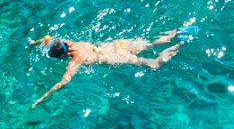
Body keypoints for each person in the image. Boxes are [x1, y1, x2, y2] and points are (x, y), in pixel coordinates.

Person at [31, 30, 184, 107]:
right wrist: (35, 43)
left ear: (63, 57)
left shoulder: (76, 60)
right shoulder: (68, 42)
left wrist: (43, 96)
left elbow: (63, 81)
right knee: (149, 44)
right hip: (116, 45)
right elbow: (49, 38)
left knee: (155, 65)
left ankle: (178, 46)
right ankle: (175, 33)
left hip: (114, 57)